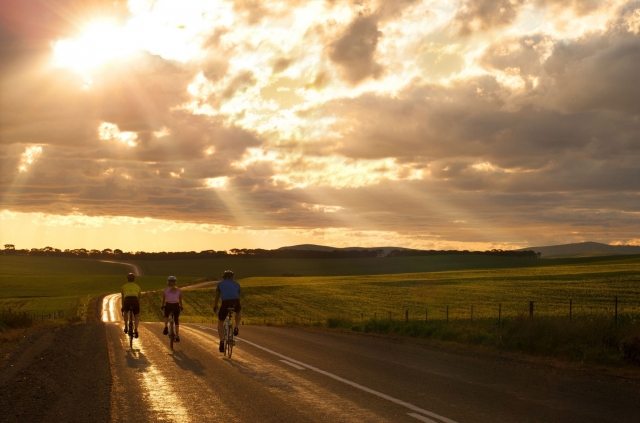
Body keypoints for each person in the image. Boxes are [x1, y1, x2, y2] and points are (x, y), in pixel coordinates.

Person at [213, 270, 241, 353]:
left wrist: (215, 306)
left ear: (224, 277)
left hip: (225, 302)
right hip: (235, 301)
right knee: (239, 311)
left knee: (221, 321)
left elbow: (217, 296)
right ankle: (236, 327)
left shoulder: (220, 284)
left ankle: (221, 341)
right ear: (232, 277)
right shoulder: (237, 284)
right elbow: (238, 297)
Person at [161, 276, 183, 342]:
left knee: (166, 315)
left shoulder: (166, 290)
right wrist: (181, 306)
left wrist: (162, 306)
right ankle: (177, 335)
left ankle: (165, 326)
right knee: (176, 320)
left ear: (168, 282)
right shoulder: (179, 290)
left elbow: (163, 300)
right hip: (176, 305)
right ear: (175, 283)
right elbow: (180, 300)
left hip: (168, 305)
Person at [121, 273, 141, 338]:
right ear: (134, 279)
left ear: (127, 279)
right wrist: (138, 305)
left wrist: (123, 307)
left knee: (125, 312)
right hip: (135, 300)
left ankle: (126, 326)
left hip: (127, 300)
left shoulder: (123, 286)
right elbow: (139, 298)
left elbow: (123, 298)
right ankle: (135, 329)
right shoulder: (138, 287)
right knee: (136, 315)